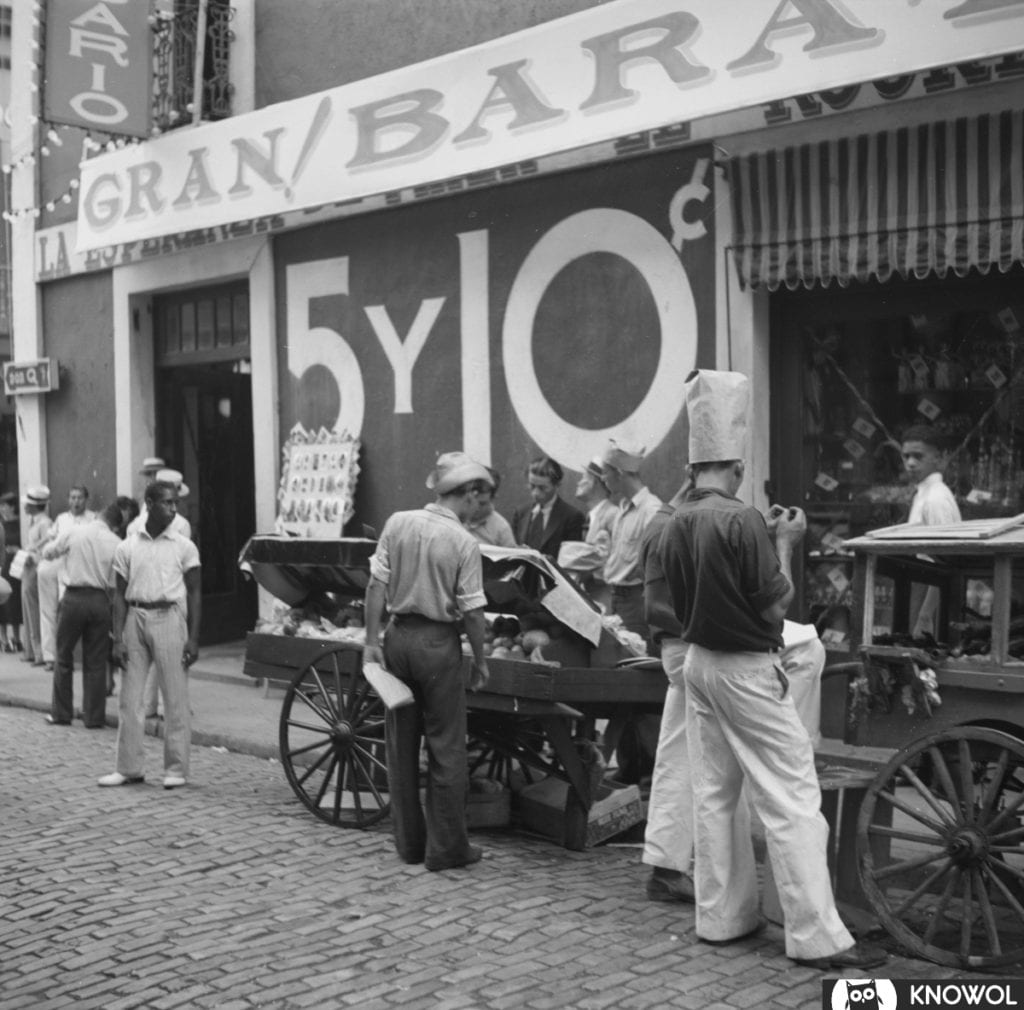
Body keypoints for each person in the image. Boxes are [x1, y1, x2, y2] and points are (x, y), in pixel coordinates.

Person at [659, 368, 886, 971]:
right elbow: (776, 604)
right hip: (742, 666)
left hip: (699, 663)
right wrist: (787, 541)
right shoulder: (741, 519)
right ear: (734, 467)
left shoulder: (673, 520)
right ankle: (817, 936)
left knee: (715, 792)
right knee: (791, 795)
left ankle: (722, 918)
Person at [363, 452, 491, 871]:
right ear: (467, 494)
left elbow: (375, 584)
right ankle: (447, 849)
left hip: (397, 637)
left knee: (401, 744)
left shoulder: (398, 522)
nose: (480, 507)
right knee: (447, 748)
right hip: (438, 645)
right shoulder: (463, 542)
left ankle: (409, 846)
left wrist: (371, 641)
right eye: (479, 497)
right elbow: (472, 612)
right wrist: (482, 659)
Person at [98, 480, 201, 790]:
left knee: (175, 698)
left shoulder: (184, 545)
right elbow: (118, 594)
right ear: (150, 504)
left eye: (175, 503)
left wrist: (194, 638)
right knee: (130, 699)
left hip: (170, 617)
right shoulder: (128, 545)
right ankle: (128, 767)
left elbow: (195, 593)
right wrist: (117, 638)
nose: (174, 509)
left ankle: (176, 769)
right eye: (168, 503)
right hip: (135, 618)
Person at [45, 504, 123, 729]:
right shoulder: (116, 543)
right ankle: (94, 717)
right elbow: (115, 583)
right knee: (96, 660)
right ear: (115, 525)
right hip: (100, 600)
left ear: (98, 515)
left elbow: (49, 552)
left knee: (63, 655)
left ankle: (61, 712)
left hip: (73, 597)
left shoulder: (75, 531)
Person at [127, 470, 191, 720]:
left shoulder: (135, 524)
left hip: (143, 593)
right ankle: (167, 707)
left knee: (149, 656)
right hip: (170, 593)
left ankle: (149, 704)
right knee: (171, 655)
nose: (173, 505)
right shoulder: (181, 524)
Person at [900, 424, 962, 638]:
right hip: (919, 584)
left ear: (939, 457)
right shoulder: (923, 494)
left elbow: (945, 561)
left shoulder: (936, 498)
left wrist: (925, 616)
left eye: (918, 456)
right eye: (906, 456)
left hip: (932, 592)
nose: (910, 463)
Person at [599, 440, 663, 641]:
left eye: (605, 472)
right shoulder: (623, 508)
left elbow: (655, 562)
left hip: (636, 601)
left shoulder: (651, 509)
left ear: (619, 472)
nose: (602, 478)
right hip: (616, 598)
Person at [38, 485, 96, 671]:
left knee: (66, 610)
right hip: (56, 562)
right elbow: (48, 539)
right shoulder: (62, 519)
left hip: (76, 567)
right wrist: (33, 548)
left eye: (79, 497)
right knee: (48, 609)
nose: (76, 501)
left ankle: (67, 657)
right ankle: (50, 657)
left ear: (86, 499)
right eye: (72, 497)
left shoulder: (92, 519)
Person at [556, 459, 618, 612]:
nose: (578, 483)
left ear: (595, 482)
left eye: (584, 478)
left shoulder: (612, 515)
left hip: (606, 599)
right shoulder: (592, 517)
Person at [511, 457, 584, 560]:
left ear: (557, 485)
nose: (535, 493)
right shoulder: (520, 513)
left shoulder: (572, 517)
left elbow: (571, 561)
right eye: (532, 486)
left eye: (543, 488)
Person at [20, 485, 53, 666]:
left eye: (28, 504)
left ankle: (39, 652)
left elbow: (44, 550)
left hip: (35, 567)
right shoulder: (33, 522)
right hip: (27, 567)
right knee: (27, 607)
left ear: (35, 506)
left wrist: (31, 556)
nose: (25, 507)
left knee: (33, 608)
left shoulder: (45, 523)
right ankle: (30, 650)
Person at [464, 467, 516, 548]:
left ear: (493, 498)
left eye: (482, 504)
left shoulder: (502, 528)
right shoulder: (455, 519)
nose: (475, 507)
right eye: (471, 502)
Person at [0, 492, 24, 652]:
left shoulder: (19, 524)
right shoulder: (1, 524)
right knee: (1, 601)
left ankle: (16, 637)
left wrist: (17, 549)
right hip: (2, 565)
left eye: (4, 505)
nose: (2, 509)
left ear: (13, 507)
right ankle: (3, 638)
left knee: (14, 600)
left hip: (15, 566)